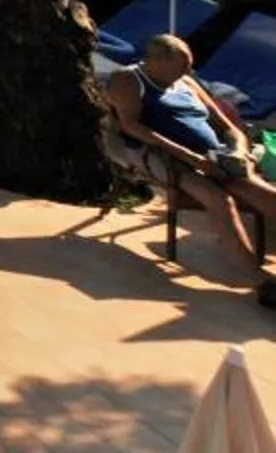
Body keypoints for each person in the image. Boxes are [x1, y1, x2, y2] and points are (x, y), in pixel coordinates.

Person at [106, 32, 276, 284]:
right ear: (156, 61)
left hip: (214, 156)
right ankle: (258, 277)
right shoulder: (127, 80)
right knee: (219, 199)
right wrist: (192, 158)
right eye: (181, 66)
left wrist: (239, 150)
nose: (188, 71)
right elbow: (131, 126)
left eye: (189, 66)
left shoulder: (187, 82)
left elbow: (227, 126)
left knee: (265, 194)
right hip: (164, 156)